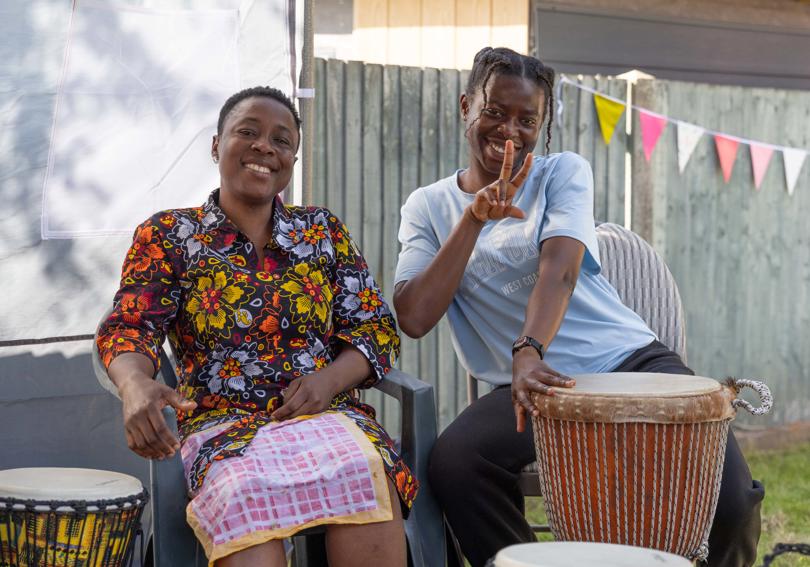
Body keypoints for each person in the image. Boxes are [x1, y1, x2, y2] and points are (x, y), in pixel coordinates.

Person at [393, 47, 763, 567]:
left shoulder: (562, 173)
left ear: (543, 126)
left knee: (732, 499)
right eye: (494, 111)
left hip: (629, 361)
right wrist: (473, 219)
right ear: (465, 107)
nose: (509, 132)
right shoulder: (427, 208)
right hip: (535, 388)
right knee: (456, 462)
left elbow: (560, 269)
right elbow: (412, 315)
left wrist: (527, 347)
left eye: (527, 120)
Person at [97, 86, 415, 567]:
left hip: (325, 418)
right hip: (222, 426)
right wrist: (135, 383)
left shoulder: (320, 232)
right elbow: (130, 326)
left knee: (365, 471)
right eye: (247, 132)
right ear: (216, 145)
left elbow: (375, 329)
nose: (265, 147)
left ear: (291, 158)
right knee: (242, 491)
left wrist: (329, 381)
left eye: (282, 140)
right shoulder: (170, 235)